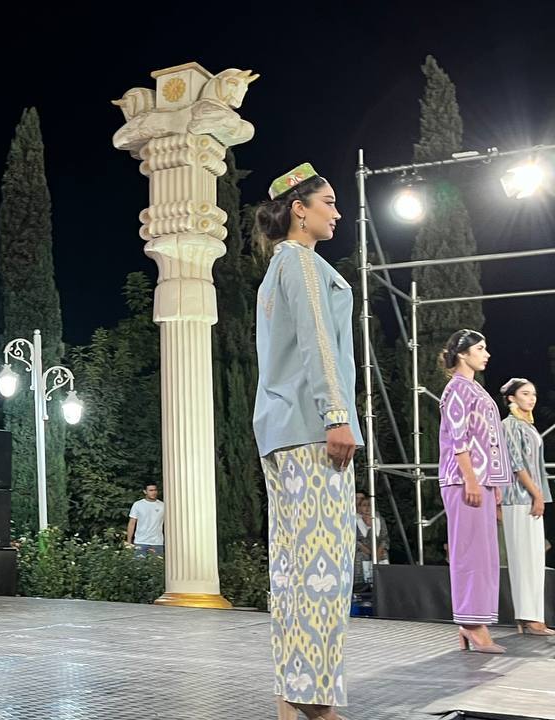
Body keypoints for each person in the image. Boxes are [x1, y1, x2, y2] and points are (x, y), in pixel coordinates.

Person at [252, 163, 358, 720]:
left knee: (292, 569)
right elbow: (320, 342)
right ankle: (315, 700)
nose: (337, 213)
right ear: (300, 208)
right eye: (329, 202)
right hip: (313, 431)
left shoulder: (278, 267)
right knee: (324, 569)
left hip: (282, 430)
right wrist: (336, 416)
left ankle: (291, 698)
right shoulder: (301, 262)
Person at [438, 329, 510, 654]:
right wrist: (470, 479)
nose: (486, 354)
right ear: (463, 353)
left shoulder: (475, 388)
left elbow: (489, 439)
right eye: (480, 348)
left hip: (481, 480)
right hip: (463, 480)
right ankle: (470, 624)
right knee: (469, 553)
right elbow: (459, 437)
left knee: (484, 555)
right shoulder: (456, 389)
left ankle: (474, 623)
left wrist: (493, 483)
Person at [498, 377, 553, 635]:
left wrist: (539, 495)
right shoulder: (509, 425)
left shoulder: (527, 425)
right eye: (525, 394)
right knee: (523, 558)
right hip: (519, 499)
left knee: (534, 557)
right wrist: (537, 495)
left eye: (533, 394)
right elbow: (517, 464)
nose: (531, 399)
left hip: (531, 498)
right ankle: (528, 617)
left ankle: (533, 617)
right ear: (511, 398)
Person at [354, 493, 388, 588]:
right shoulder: (354, 520)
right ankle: (360, 586)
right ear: (360, 507)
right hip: (362, 551)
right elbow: (353, 539)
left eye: (370, 505)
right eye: (364, 505)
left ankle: (383, 585)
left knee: (384, 554)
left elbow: (385, 538)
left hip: (378, 550)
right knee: (360, 556)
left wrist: (378, 550)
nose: (367, 508)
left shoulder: (379, 520)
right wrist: (368, 551)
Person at [126, 483, 165, 556]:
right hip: (140, 541)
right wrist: (129, 542)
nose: (154, 492)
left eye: (155, 490)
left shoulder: (162, 505)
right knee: (139, 563)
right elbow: (132, 523)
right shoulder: (138, 505)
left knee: (156, 563)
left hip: (157, 542)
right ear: (145, 491)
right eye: (151, 490)